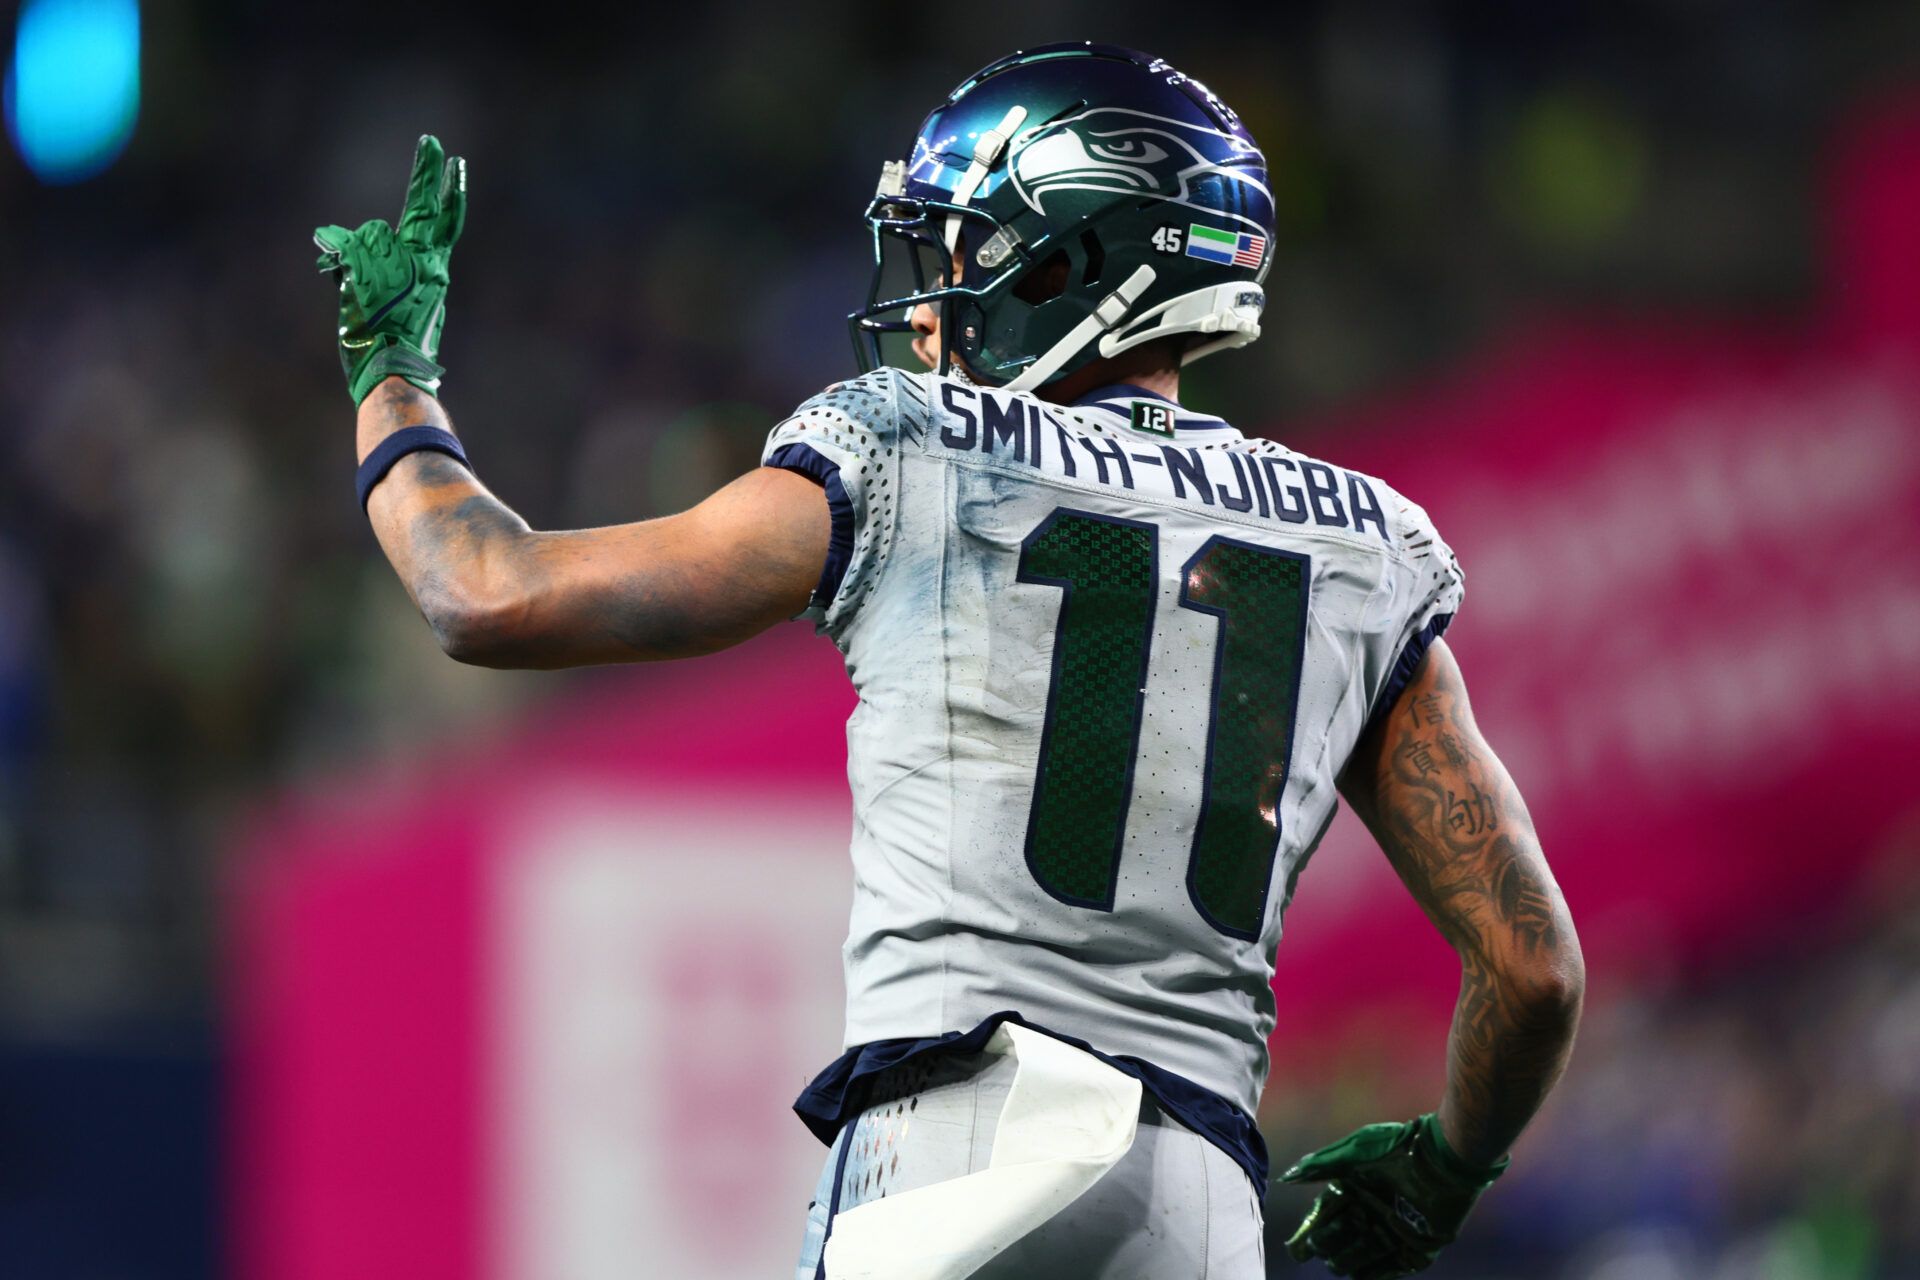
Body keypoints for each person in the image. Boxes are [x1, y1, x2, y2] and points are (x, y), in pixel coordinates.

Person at [314, 42, 1584, 1280]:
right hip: (1201, 1199)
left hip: (957, 1147)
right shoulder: (1359, 540)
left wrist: (392, 374)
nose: (932, 300)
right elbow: (1532, 966)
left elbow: (484, 592)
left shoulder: (917, 447)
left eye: (966, 251)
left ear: (1077, 253)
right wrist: (1438, 1179)